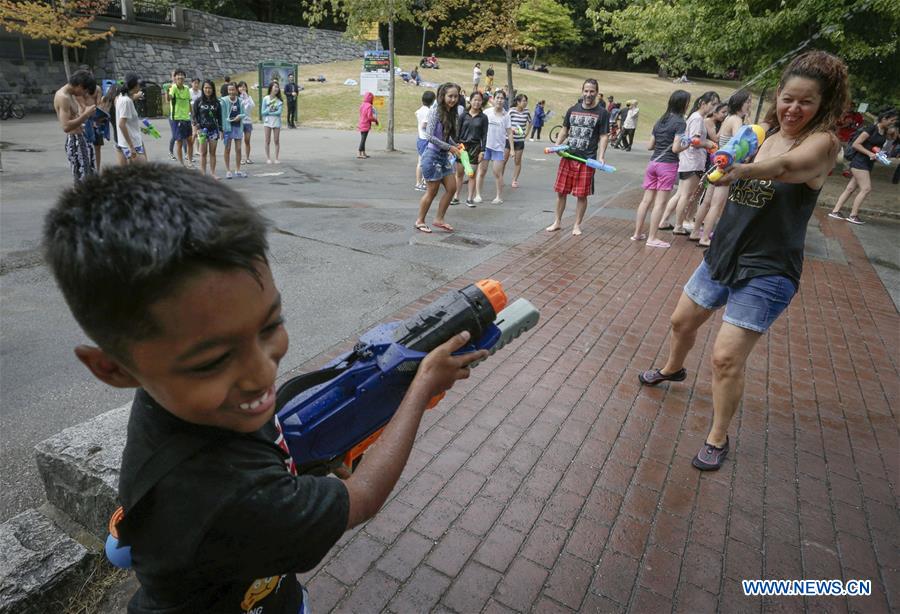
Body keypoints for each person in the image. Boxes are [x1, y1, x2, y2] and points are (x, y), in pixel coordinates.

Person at [43, 162, 485, 613]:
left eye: (270, 324)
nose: (260, 374)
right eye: (213, 360)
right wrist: (421, 387)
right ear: (115, 369)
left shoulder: (185, 394)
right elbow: (363, 497)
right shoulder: (229, 498)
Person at [639, 50, 849, 471]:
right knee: (681, 323)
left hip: (768, 269)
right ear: (778, 95)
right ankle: (674, 369)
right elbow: (733, 156)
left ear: (824, 104)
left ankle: (718, 436)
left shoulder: (824, 144)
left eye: (806, 102)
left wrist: (739, 170)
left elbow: (787, 167)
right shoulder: (761, 132)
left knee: (725, 358)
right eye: (788, 98)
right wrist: (721, 157)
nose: (794, 108)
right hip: (723, 253)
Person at [546, 79, 610, 236]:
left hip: (587, 160)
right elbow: (564, 130)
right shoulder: (572, 110)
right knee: (561, 192)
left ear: (597, 92)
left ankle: (576, 225)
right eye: (586, 91)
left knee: (581, 195)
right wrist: (557, 146)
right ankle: (557, 222)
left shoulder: (602, 113)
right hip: (568, 156)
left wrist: (601, 156)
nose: (588, 94)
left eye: (592, 91)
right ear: (582, 91)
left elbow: (604, 136)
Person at [690, 92, 752, 246]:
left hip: (716, 165)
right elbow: (739, 143)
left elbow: (718, 137)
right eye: (748, 102)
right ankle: (705, 238)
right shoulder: (736, 120)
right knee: (716, 205)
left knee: (706, 202)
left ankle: (695, 232)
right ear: (740, 103)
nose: (750, 105)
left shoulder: (728, 118)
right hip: (726, 167)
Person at [657, 91, 720, 237]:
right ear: (702, 103)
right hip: (693, 161)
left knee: (680, 194)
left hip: (687, 160)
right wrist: (708, 144)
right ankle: (678, 226)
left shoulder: (694, 117)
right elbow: (695, 141)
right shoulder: (698, 119)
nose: (714, 107)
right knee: (685, 195)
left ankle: (664, 220)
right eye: (712, 104)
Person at [632, 89, 690, 246]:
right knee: (660, 203)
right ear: (683, 104)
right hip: (667, 165)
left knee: (646, 201)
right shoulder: (680, 122)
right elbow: (676, 148)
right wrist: (688, 144)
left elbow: (650, 146)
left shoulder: (660, 120)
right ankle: (652, 238)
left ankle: (637, 234)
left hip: (653, 163)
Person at [829, 108, 898, 224]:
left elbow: (877, 145)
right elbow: (856, 144)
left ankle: (835, 211)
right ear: (884, 119)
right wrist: (869, 153)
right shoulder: (871, 128)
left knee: (850, 188)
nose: (893, 123)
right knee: (866, 189)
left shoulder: (883, 131)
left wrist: (879, 154)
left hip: (868, 163)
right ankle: (853, 215)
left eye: (894, 121)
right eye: (891, 120)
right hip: (859, 162)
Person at [415, 82, 461, 233]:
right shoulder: (435, 111)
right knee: (432, 191)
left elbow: (445, 137)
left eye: (456, 96)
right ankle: (420, 221)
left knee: (452, 188)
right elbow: (429, 136)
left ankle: (439, 219)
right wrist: (450, 148)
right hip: (432, 156)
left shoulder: (451, 113)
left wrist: (455, 145)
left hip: (443, 157)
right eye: (450, 96)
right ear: (443, 96)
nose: (453, 99)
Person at [54, 69, 97, 183]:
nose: (84, 94)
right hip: (75, 140)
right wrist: (86, 114)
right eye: (85, 90)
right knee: (83, 178)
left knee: (90, 174)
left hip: (81, 138)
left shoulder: (71, 95)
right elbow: (66, 126)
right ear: (79, 85)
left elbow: (75, 117)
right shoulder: (63, 97)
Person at [455, 90, 488, 206]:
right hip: (462, 147)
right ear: (470, 101)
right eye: (475, 100)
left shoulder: (483, 118)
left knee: (471, 174)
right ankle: (456, 197)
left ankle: (469, 198)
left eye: (479, 100)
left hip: (475, 147)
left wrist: (482, 151)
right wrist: (455, 146)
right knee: (459, 173)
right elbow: (457, 132)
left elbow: (484, 135)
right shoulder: (463, 115)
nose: (477, 102)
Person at [484, 90, 514, 205]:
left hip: (498, 148)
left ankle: (498, 196)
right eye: (498, 98)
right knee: (481, 171)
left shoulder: (506, 115)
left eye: (502, 98)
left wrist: (512, 149)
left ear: (504, 100)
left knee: (497, 173)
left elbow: (509, 133)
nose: (500, 100)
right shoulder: (487, 112)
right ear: (493, 98)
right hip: (485, 146)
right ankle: (477, 195)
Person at [115, 73, 148, 165]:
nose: (140, 87)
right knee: (144, 170)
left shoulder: (120, 97)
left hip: (124, 143)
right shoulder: (126, 101)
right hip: (132, 144)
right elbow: (121, 124)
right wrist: (131, 146)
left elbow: (128, 123)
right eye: (138, 85)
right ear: (134, 85)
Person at [193, 79, 222, 177]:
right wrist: (197, 127)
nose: (207, 90)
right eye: (205, 88)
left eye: (209, 88)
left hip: (213, 131)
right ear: (203, 89)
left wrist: (221, 130)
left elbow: (220, 117)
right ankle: (203, 174)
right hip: (202, 131)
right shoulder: (198, 101)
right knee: (203, 153)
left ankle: (213, 174)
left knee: (212, 153)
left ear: (213, 89)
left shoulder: (217, 103)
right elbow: (194, 116)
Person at [220, 82, 246, 179]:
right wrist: (222, 130)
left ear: (236, 90)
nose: (231, 92)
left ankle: (238, 170)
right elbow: (222, 116)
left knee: (238, 149)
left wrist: (240, 116)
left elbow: (244, 113)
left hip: (238, 127)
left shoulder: (240, 100)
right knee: (227, 148)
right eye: (229, 90)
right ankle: (228, 171)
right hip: (228, 127)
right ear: (227, 91)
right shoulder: (224, 101)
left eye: (233, 89)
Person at [168, 69, 194, 168]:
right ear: (175, 77)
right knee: (179, 142)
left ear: (184, 77)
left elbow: (189, 102)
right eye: (178, 75)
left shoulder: (187, 88)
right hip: (176, 118)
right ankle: (181, 164)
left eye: (182, 75)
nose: (180, 76)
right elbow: (168, 99)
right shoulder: (173, 88)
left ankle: (190, 162)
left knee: (190, 141)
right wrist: (167, 91)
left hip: (186, 118)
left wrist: (193, 116)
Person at [506, 94, 532, 188]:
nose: (525, 103)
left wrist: (526, 133)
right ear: (518, 102)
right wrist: (511, 129)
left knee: (517, 161)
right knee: (504, 160)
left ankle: (514, 180)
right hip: (508, 139)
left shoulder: (526, 112)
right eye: (523, 101)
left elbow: (530, 122)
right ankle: (500, 178)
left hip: (520, 141)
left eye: (526, 101)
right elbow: (505, 122)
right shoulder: (511, 111)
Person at [414, 90, 436, 191]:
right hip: (426, 139)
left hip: (420, 138)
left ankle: (418, 183)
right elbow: (424, 125)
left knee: (420, 162)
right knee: (426, 162)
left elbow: (417, 114)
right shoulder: (428, 111)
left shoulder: (420, 110)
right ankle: (423, 182)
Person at [262, 81, 284, 165]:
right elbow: (262, 112)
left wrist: (269, 112)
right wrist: (268, 110)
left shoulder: (279, 100)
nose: (276, 88)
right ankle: (268, 158)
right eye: (275, 86)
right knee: (267, 140)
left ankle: (276, 158)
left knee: (276, 140)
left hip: (276, 122)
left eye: (277, 87)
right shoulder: (265, 98)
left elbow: (279, 113)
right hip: (267, 122)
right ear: (271, 88)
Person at [237, 82, 256, 165]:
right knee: (239, 141)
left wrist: (247, 98)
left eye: (244, 87)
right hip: (240, 121)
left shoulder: (249, 97)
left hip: (248, 121)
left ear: (246, 88)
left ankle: (247, 158)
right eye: (240, 87)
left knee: (247, 140)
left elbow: (252, 106)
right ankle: (240, 158)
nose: (242, 88)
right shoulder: (237, 98)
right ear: (238, 88)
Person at [357, 92, 378, 159]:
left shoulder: (362, 105)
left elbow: (361, 114)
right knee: (363, 139)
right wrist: (375, 120)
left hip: (361, 123)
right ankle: (359, 153)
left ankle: (363, 153)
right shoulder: (369, 106)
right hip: (366, 124)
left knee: (363, 139)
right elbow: (369, 117)